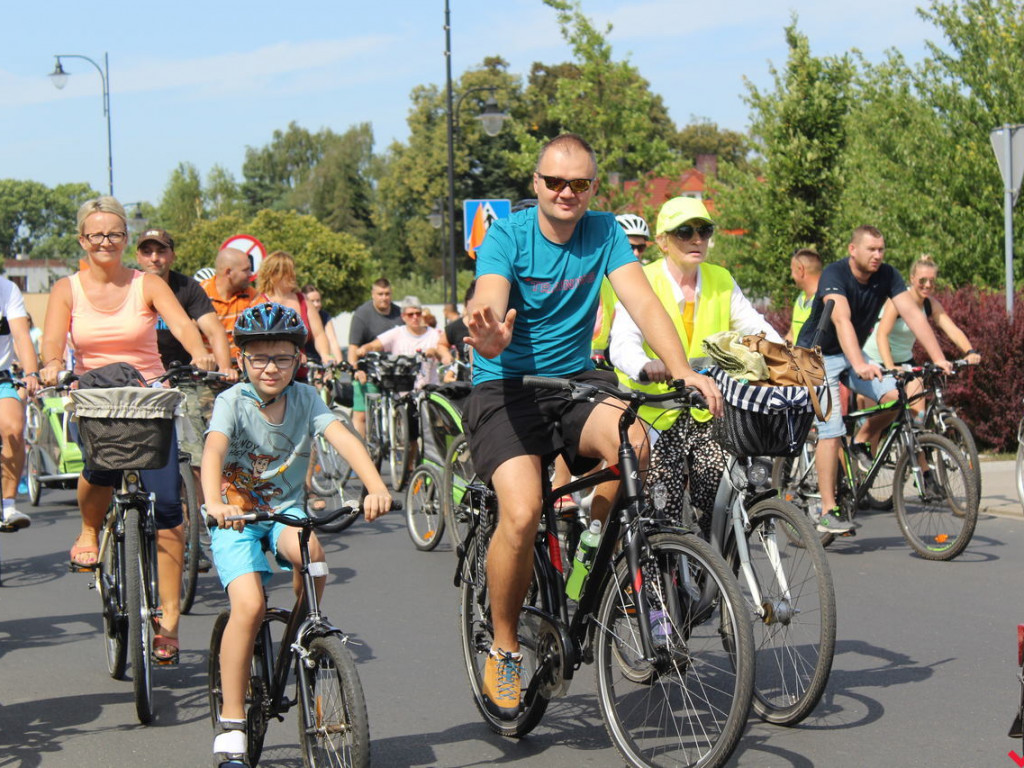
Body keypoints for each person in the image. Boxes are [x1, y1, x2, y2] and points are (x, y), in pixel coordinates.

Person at [463, 133, 721, 720]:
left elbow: (643, 303)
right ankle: (504, 646)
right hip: (506, 389)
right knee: (525, 512)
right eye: (554, 182)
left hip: (575, 382)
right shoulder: (508, 233)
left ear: (591, 189)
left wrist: (683, 370)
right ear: (536, 184)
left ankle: (594, 547)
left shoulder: (603, 232)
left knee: (636, 440)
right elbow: (490, 291)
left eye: (579, 184)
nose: (566, 193)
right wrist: (492, 331)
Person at [201, 302, 391, 767]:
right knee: (248, 605)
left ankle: (306, 636)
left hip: (284, 510)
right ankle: (231, 721)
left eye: (283, 358)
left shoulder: (307, 398)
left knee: (315, 557)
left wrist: (376, 485)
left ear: (297, 361)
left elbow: (341, 436)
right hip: (236, 515)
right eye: (260, 357)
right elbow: (214, 449)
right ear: (243, 359)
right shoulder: (233, 402)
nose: (271, 367)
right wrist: (213, 501)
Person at [40, 196, 211, 663]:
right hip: (96, 397)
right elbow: (54, 340)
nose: (105, 242)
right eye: (96, 235)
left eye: (114, 234)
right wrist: (53, 365)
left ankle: (169, 623)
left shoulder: (147, 283)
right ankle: (90, 531)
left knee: (170, 510)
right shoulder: (66, 289)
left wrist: (201, 355)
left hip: (150, 397)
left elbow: (182, 324)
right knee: (98, 469)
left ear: (124, 238)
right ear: (82, 239)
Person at [609, 197, 782, 533]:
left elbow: (755, 327)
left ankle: (710, 579)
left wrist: (790, 357)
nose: (696, 239)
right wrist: (644, 366)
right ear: (662, 241)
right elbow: (622, 342)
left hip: (706, 409)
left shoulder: (719, 279)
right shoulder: (643, 280)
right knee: (662, 513)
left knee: (717, 503)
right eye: (684, 232)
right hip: (655, 414)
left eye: (704, 230)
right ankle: (660, 582)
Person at [796, 225, 952, 534]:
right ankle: (828, 509)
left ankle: (862, 442)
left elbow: (915, 316)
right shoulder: (834, 275)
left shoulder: (888, 275)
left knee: (896, 397)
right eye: (871, 249)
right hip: (817, 355)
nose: (878, 255)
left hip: (852, 355)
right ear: (853, 250)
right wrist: (858, 364)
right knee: (831, 428)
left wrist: (938, 359)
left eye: (881, 249)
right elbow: (841, 320)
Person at [135, 228, 236, 487]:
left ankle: (205, 514)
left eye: (161, 251)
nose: (154, 258)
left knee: (202, 442)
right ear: (138, 257)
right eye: (147, 251)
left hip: (181, 375)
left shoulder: (187, 287)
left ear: (172, 255)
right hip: (138, 377)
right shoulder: (128, 285)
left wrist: (223, 369)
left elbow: (213, 330)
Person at [861, 254, 981, 421]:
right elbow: (882, 335)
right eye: (923, 280)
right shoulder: (898, 301)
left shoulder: (930, 304)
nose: (928, 285)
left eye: (932, 280)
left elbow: (951, 329)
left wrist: (970, 351)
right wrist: (890, 367)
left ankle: (915, 443)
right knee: (874, 425)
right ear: (912, 278)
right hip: (877, 359)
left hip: (905, 361)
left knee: (918, 415)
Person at [251, 252, 335, 377]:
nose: (293, 276)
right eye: (287, 272)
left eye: (293, 271)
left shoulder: (303, 300)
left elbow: (318, 334)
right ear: (273, 274)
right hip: (270, 373)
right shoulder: (260, 302)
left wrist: (325, 356)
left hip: (300, 371)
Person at [0, 277, 39, 531]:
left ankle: (8, 505)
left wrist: (31, 373)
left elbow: (22, 336)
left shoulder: (7, 288)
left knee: (14, 429)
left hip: (1, 377)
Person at [356, 296, 452, 389]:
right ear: (403, 316)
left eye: (418, 313)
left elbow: (446, 358)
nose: (415, 317)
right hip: (403, 393)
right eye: (410, 314)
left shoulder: (435, 334)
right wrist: (364, 349)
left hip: (430, 391)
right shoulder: (396, 333)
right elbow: (374, 345)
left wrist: (435, 352)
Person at [347, 278, 402, 437]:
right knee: (362, 415)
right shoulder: (362, 315)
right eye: (380, 294)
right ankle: (360, 452)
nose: (384, 297)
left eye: (387, 294)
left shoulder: (399, 314)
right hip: (368, 372)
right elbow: (353, 348)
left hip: (393, 372)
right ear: (373, 294)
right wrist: (355, 371)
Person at [201, 247, 257, 359]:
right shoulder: (201, 293)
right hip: (210, 370)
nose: (251, 274)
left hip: (243, 366)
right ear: (228, 272)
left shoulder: (251, 294)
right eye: (246, 270)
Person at [786, 247, 823, 344]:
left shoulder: (825, 300)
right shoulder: (801, 298)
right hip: (796, 358)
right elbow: (791, 335)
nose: (792, 276)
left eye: (792, 270)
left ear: (801, 270)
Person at [300, 283, 343, 365]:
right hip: (303, 362)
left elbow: (332, 340)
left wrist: (340, 362)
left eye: (318, 300)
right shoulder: (299, 316)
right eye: (312, 301)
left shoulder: (324, 316)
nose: (316, 304)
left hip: (321, 360)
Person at [443, 280, 475, 381]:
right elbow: (442, 344)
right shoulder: (455, 327)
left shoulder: (494, 326)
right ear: (466, 304)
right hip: (463, 381)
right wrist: (446, 355)